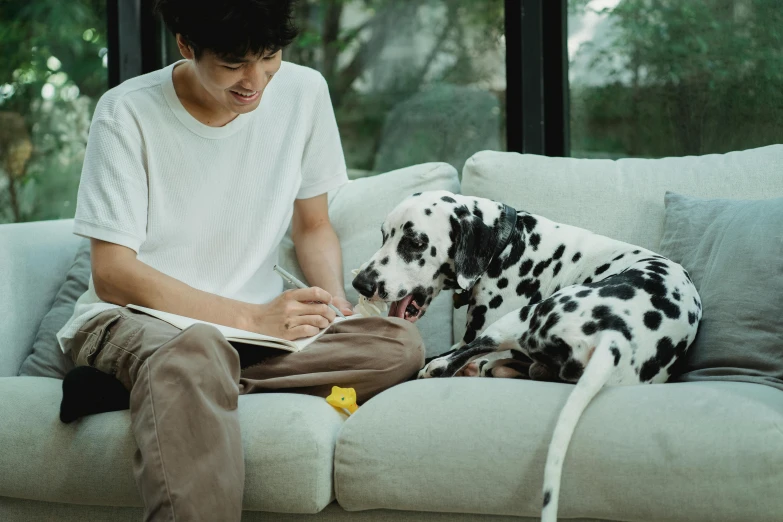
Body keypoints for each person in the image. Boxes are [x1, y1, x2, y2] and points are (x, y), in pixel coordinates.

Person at [55, 1, 425, 520]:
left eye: (269, 56)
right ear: (186, 45)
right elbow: (113, 273)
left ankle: (162, 386)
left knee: (397, 347)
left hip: (250, 339)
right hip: (135, 319)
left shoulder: (303, 92)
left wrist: (334, 303)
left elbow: (313, 226)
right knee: (196, 348)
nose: (255, 80)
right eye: (233, 64)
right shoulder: (126, 112)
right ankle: (177, 375)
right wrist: (249, 316)